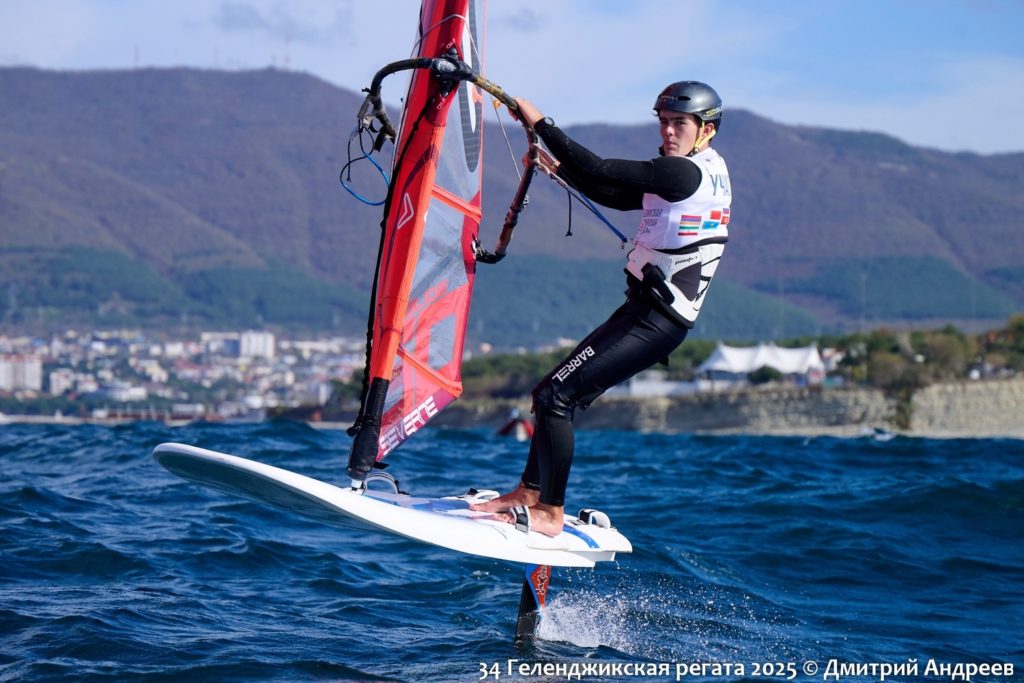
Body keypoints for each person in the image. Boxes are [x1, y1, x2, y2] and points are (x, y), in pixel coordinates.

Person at [472, 81, 732, 537]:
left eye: (679, 124)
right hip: (645, 313)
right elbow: (613, 192)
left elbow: (599, 167)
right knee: (549, 394)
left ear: (706, 129)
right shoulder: (698, 172)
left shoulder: (683, 174)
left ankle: (550, 512)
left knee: (556, 398)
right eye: (664, 122)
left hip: (656, 322)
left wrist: (540, 123)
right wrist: (557, 169)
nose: (668, 132)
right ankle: (529, 493)